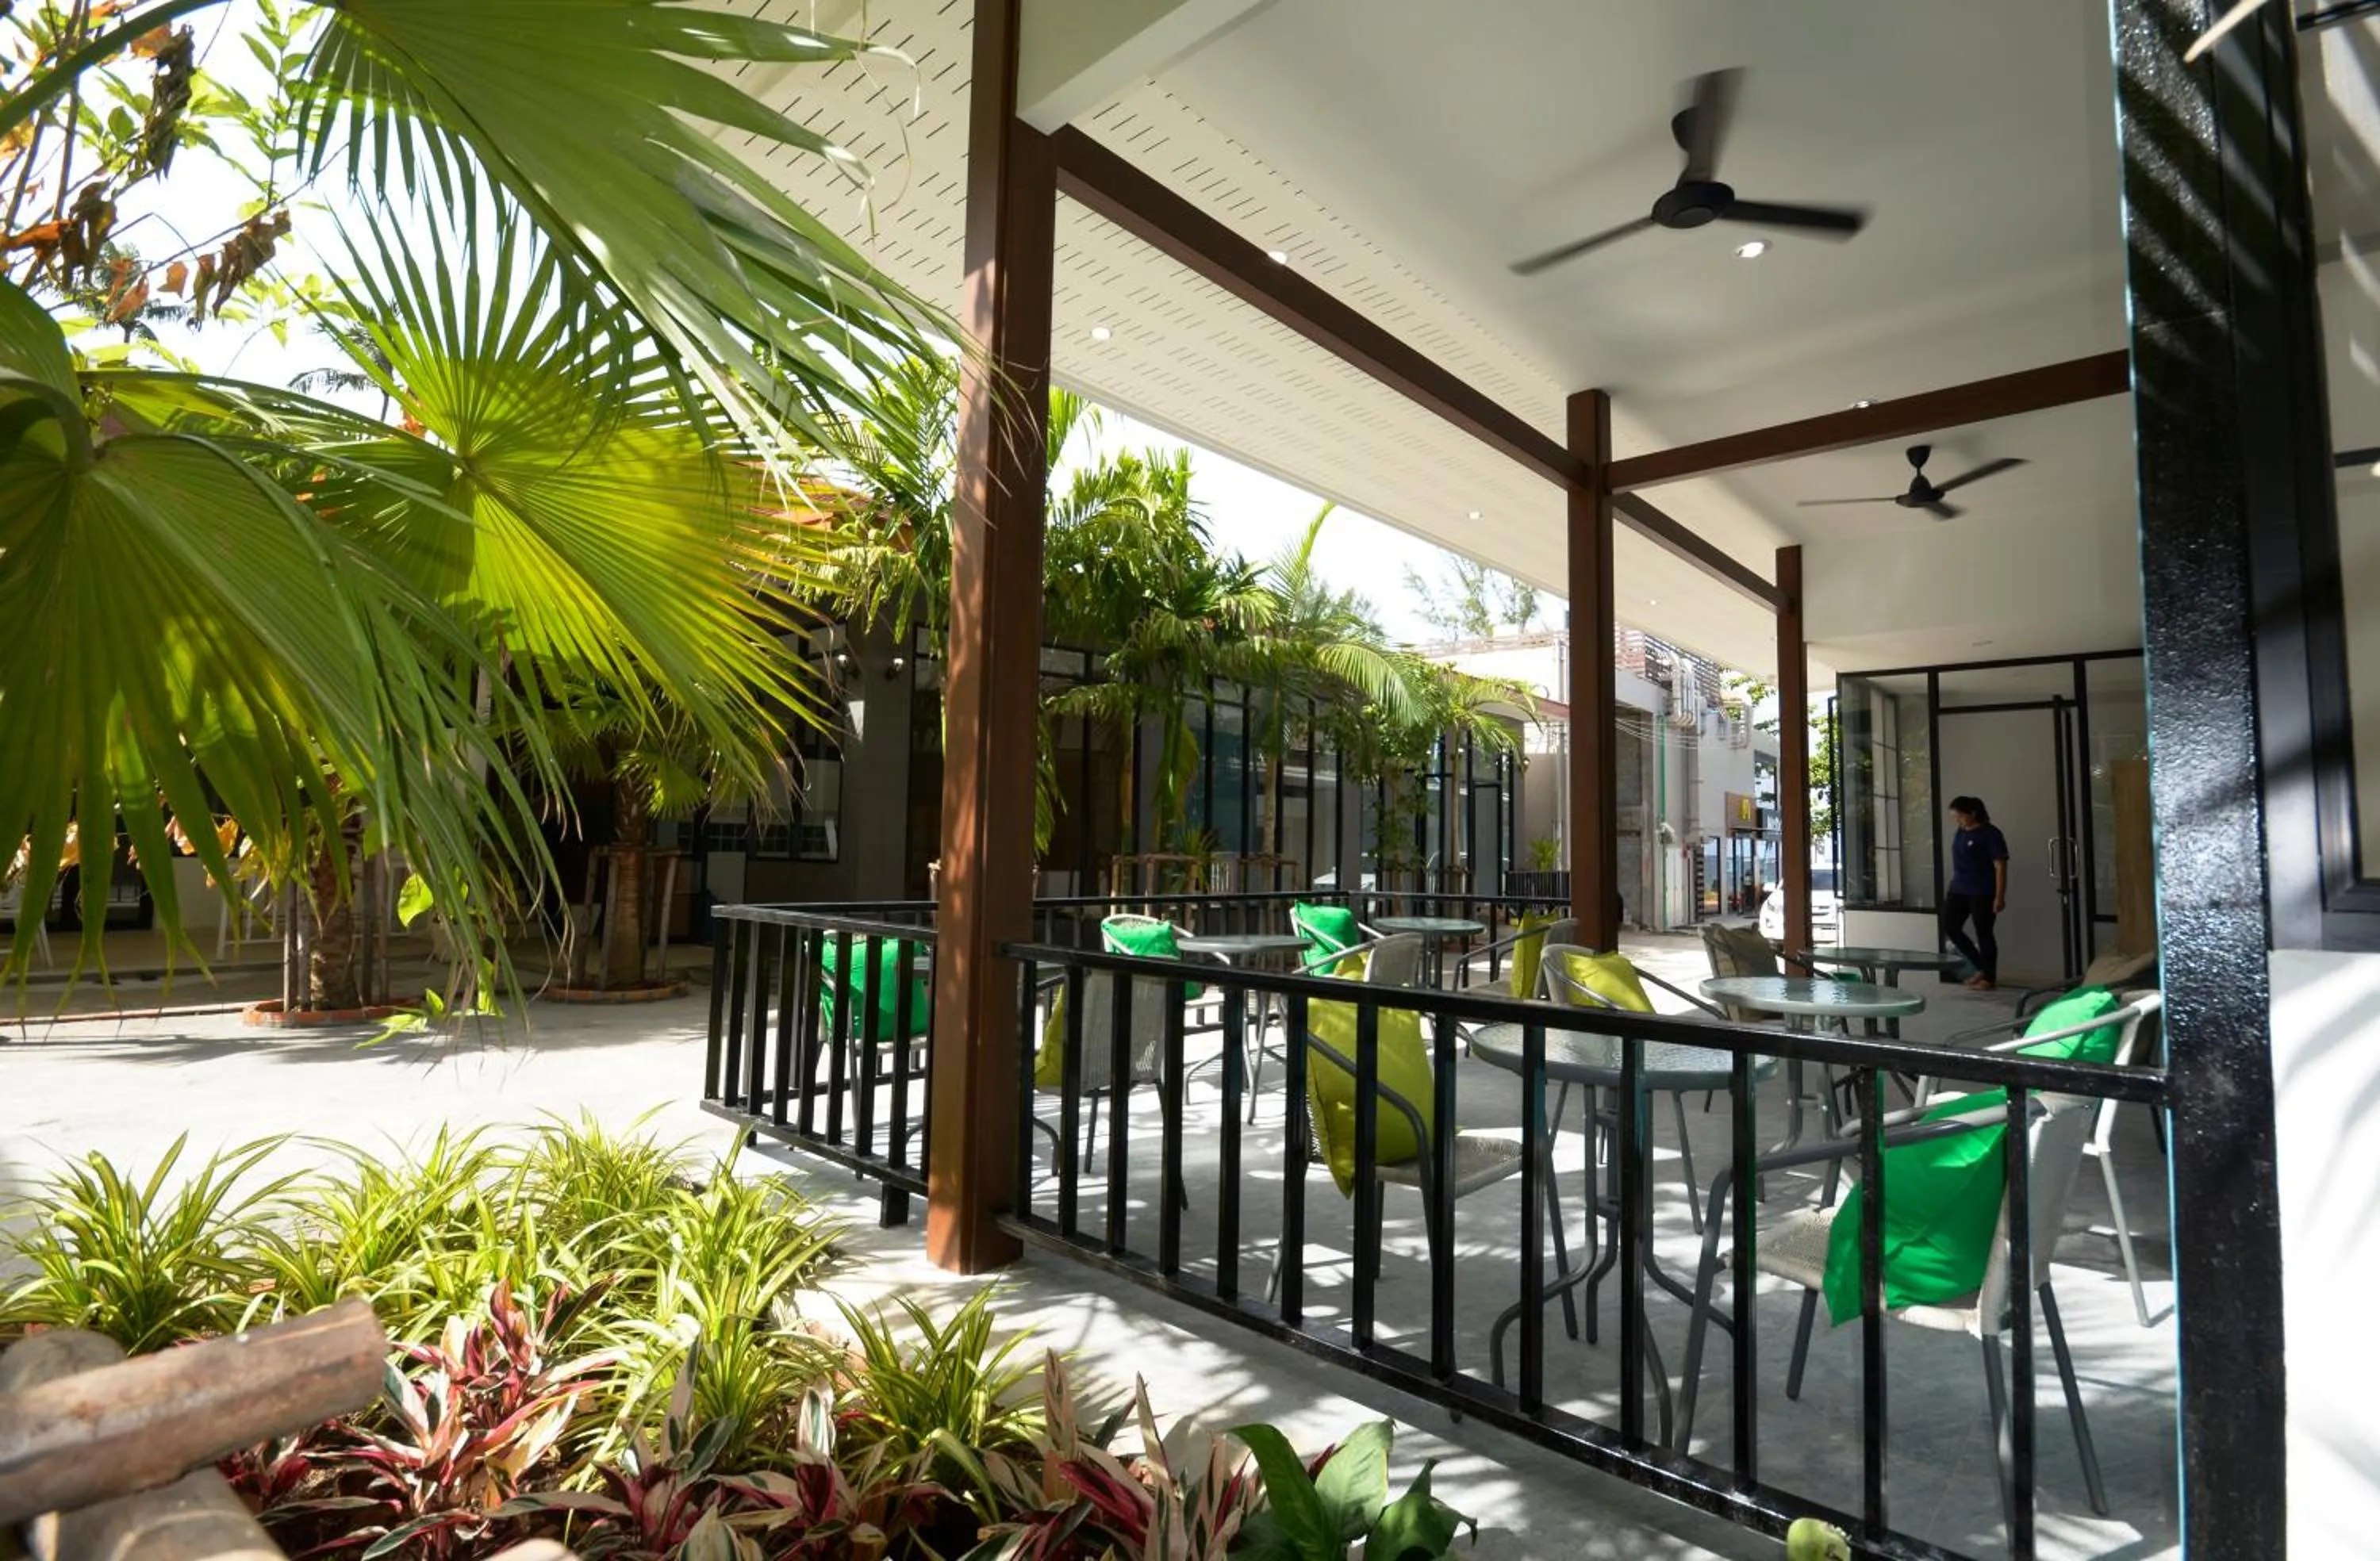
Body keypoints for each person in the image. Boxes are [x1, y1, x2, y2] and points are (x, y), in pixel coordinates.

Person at [1941, 795, 2010, 989]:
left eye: (1961, 816)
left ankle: (1989, 977)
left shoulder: (1990, 834)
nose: (1958, 821)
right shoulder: (1960, 831)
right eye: (1955, 817)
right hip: (1958, 888)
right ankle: (1980, 966)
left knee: (1984, 933)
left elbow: (2000, 866)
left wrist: (1999, 896)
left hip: (1983, 891)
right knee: (1950, 926)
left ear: (1973, 813)